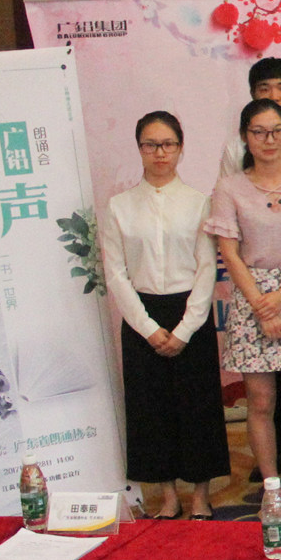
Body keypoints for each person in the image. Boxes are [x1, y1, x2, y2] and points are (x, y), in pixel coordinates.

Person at [100, 111, 227, 519]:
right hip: (143, 316)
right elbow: (116, 273)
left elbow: (206, 269)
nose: (160, 153)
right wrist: (148, 328)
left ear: (180, 148)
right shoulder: (119, 206)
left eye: (168, 144)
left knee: (198, 406)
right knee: (151, 409)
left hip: (190, 313)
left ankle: (200, 495)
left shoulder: (198, 202)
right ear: (139, 148)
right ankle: (169, 496)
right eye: (151, 145)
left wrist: (186, 328)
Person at [207, 98, 281, 515]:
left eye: (276, 131)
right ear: (245, 137)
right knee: (259, 401)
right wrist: (262, 305)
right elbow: (229, 251)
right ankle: (272, 489)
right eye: (258, 132)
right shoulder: (229, 187)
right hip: (250, 296)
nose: (268, 139)